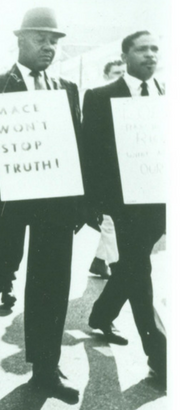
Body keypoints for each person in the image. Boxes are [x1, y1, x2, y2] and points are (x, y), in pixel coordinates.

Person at [0, 8, 84, 404]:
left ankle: (45, 368)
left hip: (54, 200)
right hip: (6, 200)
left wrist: (78, 202)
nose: (49, 47)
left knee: (51, 281)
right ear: (20, 40)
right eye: (40, 39)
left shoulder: (65, 88)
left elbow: (76, 147)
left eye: (54, 40)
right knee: (1, 261)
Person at [83, 31, 166, 387]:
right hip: (121, 206)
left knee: (132, 269)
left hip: (160, 203)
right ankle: (162, 357)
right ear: (126, 55)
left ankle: (101, 315)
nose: (150, 55)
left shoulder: (169, 97)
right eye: (142, 49)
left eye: (155, 49)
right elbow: (90, 153)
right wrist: (94, 204)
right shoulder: (101, 97)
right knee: (138, 272)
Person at [88, 59, 126, 279]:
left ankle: (100, 261)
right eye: (116, 73)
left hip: (127, 177)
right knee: (109, 223)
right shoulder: (99, 100)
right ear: (106, 76)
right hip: (106, 178)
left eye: (124, 72)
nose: (120, 77)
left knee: (113, 224)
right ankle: (117, 268)